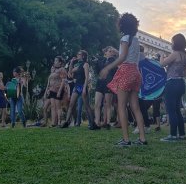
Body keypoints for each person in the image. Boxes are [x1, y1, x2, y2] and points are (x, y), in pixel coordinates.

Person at [100, 13, 147, 146]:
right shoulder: (136, 40)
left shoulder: (124, 38)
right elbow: (129, 56)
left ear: (123, 24)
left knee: (121, 106)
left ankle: (126, 140)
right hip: (135, 72)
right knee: (135, 107)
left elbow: (122, 57)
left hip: (126, 71)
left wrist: (107, 68)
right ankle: (142, 138)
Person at [159, 33, 186, 141]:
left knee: (171, 110)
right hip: (181, 83)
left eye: (172, 42)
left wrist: (162, 55)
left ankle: (172, 135)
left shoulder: (175, 54)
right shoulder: (185, 57)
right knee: (177, 110)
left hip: (171, 84)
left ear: (175, 43)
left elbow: (162, 64)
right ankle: (181, 134)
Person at [61, 50, 95, 129]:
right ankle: (66, 123)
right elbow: (69, 74)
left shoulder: (85, 64)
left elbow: (87, 77)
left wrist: (84, 88)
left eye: (79, 54)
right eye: (77, 54)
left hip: (82, 86)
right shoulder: (77, 65)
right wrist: (71, 63)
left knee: (87, 106)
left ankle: (93, 124)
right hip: (76, 87)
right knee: (71, 105)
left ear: (83, 56)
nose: (77, 55)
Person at [93, 46, 118, 130]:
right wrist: (96, 63)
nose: (110, 52)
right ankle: (97, 122)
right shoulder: (101, 60)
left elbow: (115, 72)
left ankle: (107, 123)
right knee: (97, 103)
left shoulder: (114, 61)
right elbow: (97, 71)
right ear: (105, 52)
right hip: (100, 83)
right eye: (109, 51)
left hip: (108, 83)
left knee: (108, 104)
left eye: (112, 51)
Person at [44, 56, 67, 127]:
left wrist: (60, 91)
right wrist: (47, 90)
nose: (54, 62)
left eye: (56, 61)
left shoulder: (62, 69)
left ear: (60, 62)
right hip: (51, 90)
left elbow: (63, 81)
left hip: (58, 90)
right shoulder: (53, 70)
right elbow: (49, 80)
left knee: (58, 107)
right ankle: (53, 123)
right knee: (53, 106)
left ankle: (59, 122)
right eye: (54, 60)